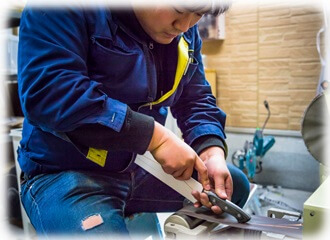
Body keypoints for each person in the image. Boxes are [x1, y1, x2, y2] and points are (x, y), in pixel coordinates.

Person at [17, 0, 250, 238]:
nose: (185, 25)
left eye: (198, 15)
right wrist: (157, 139)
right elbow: (52, 94)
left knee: (233, 188)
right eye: (179, 11)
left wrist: (210, 150)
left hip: (136, 165)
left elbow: (195, 97)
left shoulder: (185, 32)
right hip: (64, 169)